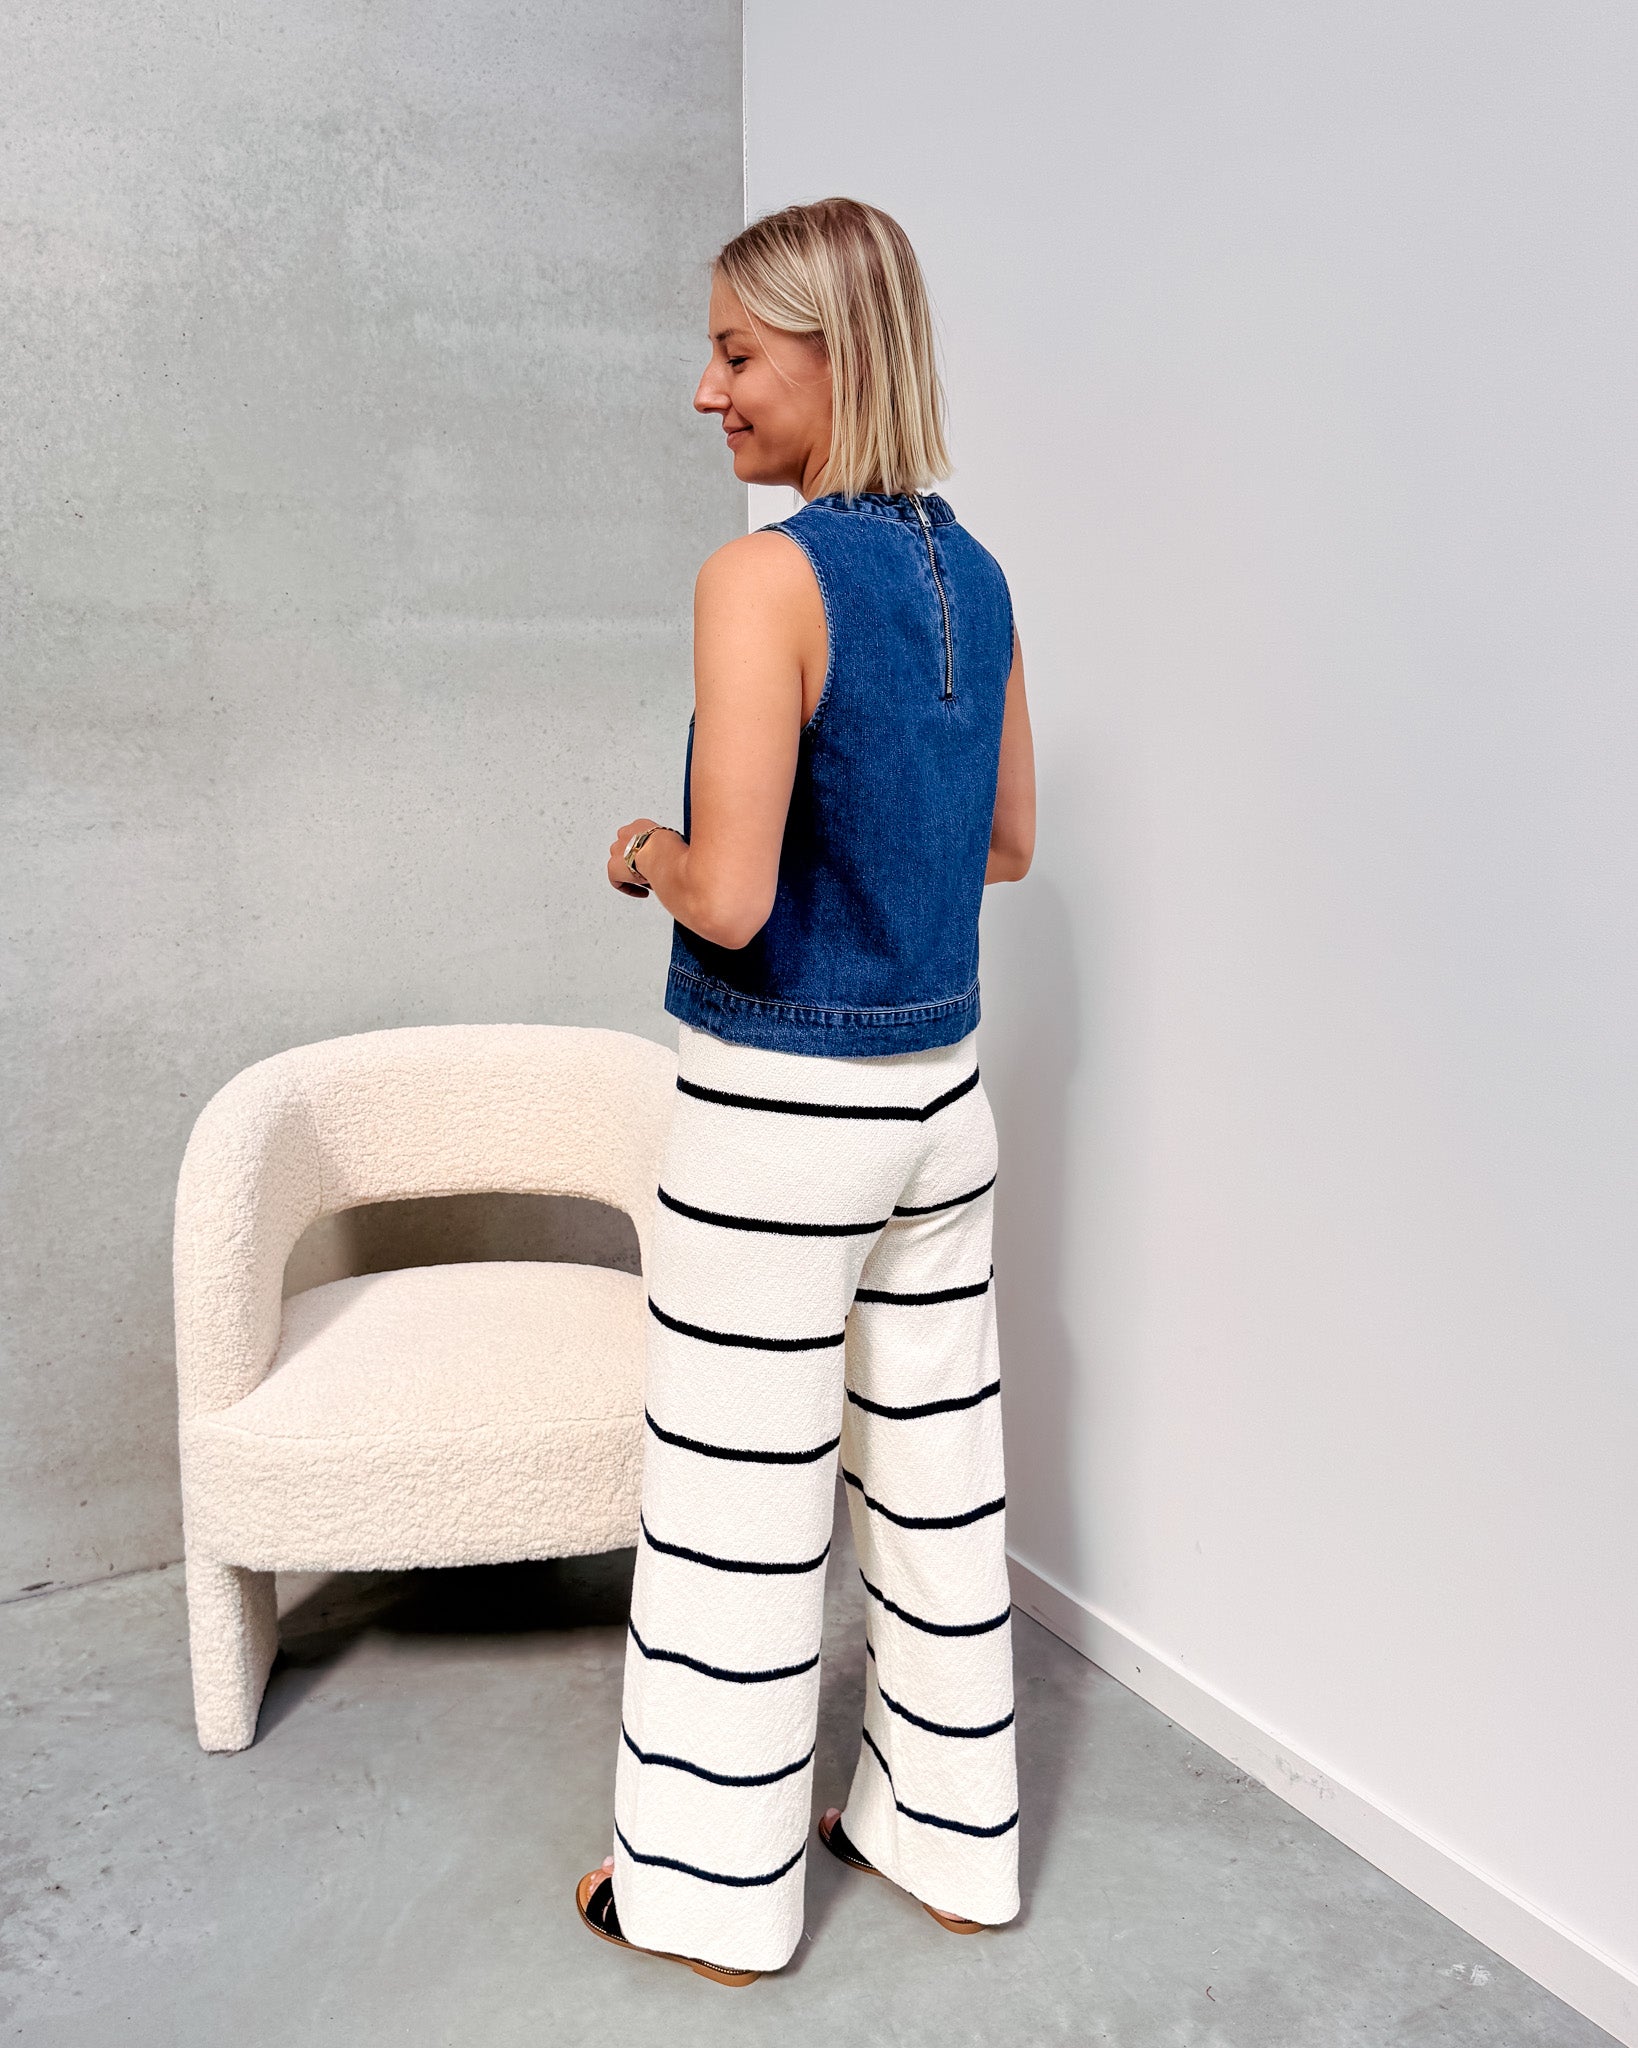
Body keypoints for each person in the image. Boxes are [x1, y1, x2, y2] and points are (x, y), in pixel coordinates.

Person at [577, 196, 1036, 1986]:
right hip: (943, 1101)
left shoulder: (759, 581)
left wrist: (644, 849)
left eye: (737, 354)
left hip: (780, 1121)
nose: (708, 391)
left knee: (734, 1497)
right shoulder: (979, 577)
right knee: (934, 1477)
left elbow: (734, 897)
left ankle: (706, 1897)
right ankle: (950, 1843)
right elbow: (1005, 843)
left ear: (838, 359)